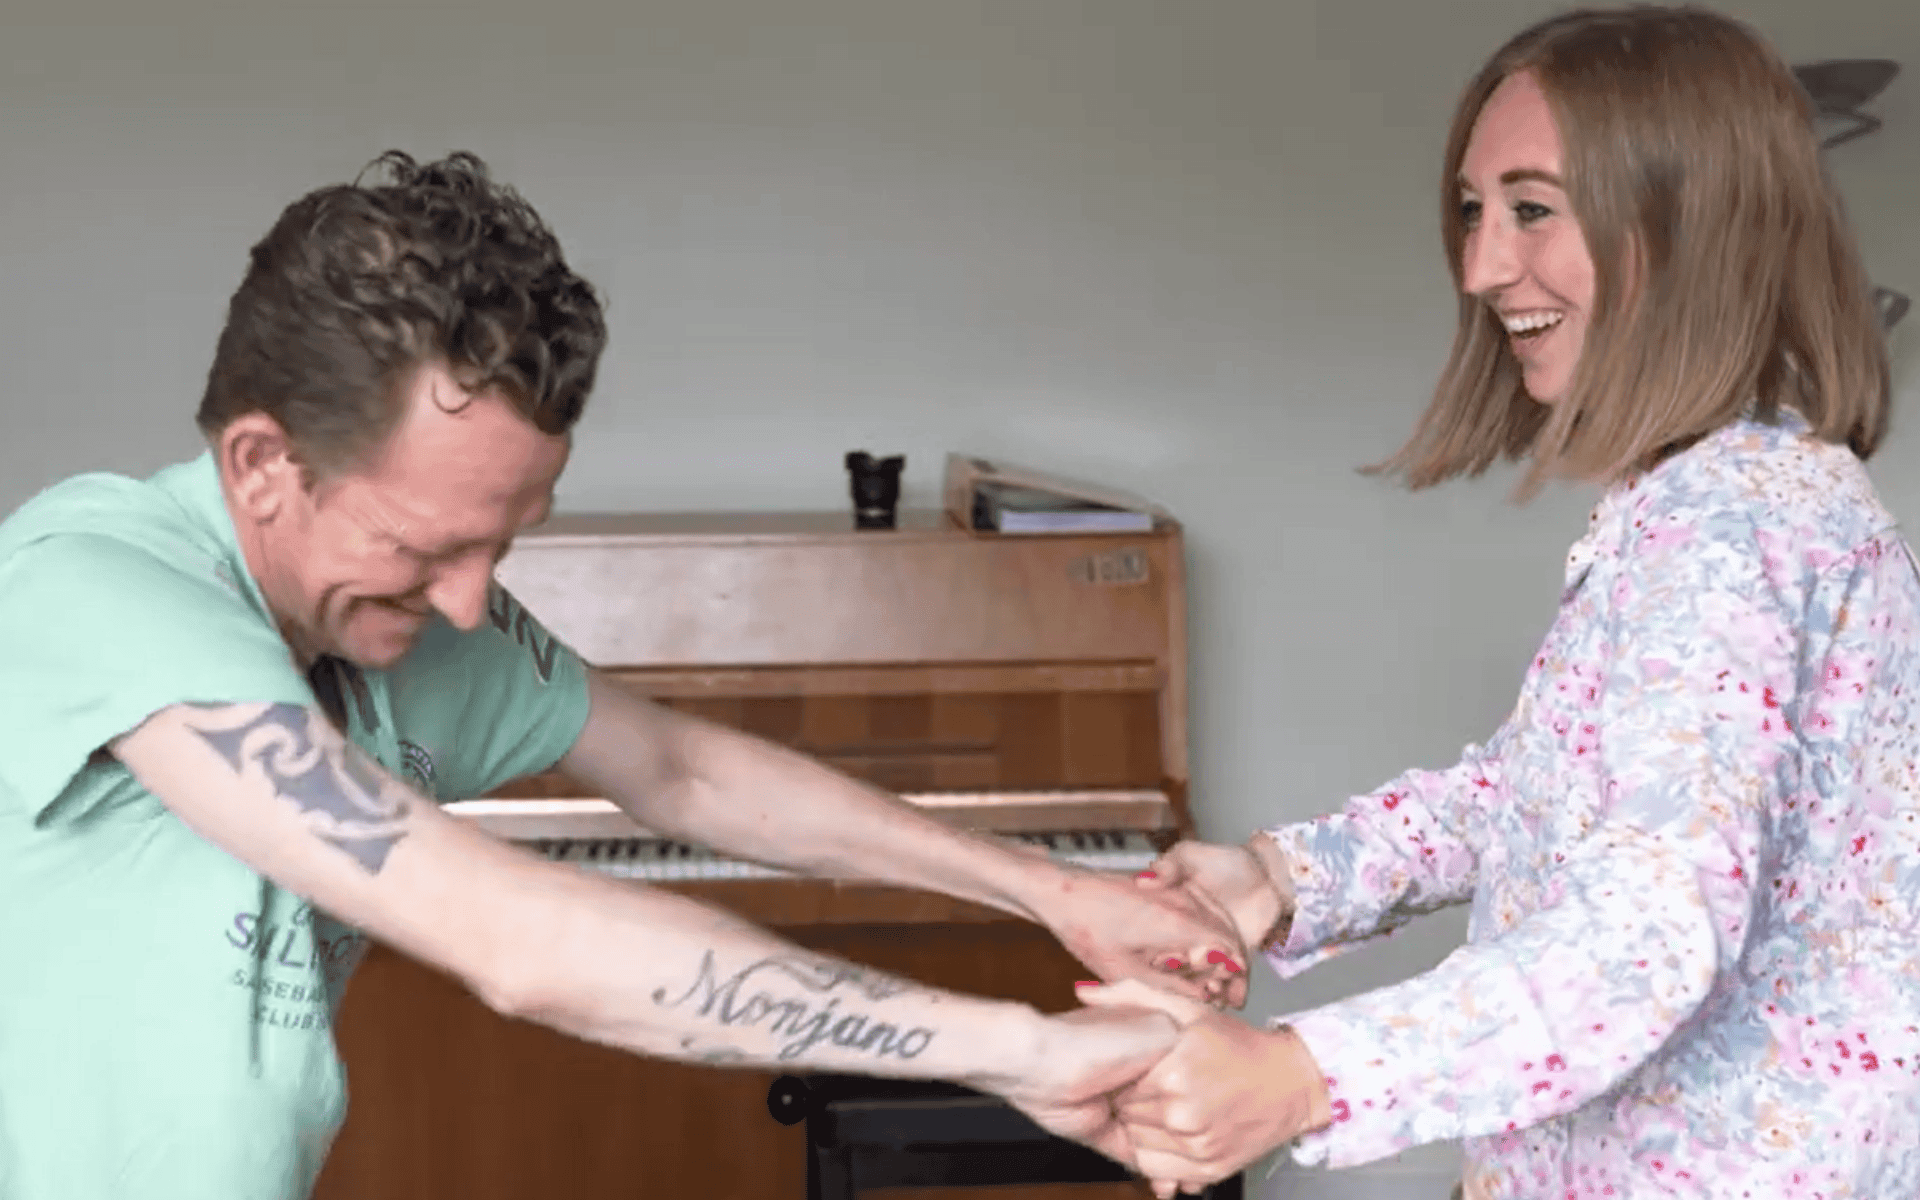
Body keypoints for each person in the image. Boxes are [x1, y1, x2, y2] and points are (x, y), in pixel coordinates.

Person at [0, 151, 1248, 1200]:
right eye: (424, 544)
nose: (471, 605)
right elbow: (512, 935)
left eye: (504, 541)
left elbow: (684, 768)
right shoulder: (95, 586)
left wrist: (1050, 893)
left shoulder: (395, 621)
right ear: (264, 464)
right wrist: (1014, 1050)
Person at [1082, 6, 1920, 1197]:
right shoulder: (1717, 492)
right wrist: (1287, 879)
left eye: (1533, 208)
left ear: (1691, 226)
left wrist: (1302, 1074)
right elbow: (1551, 786)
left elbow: (1644, 938)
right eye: (1475, 211)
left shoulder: (1733, 522)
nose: (1480, 267)